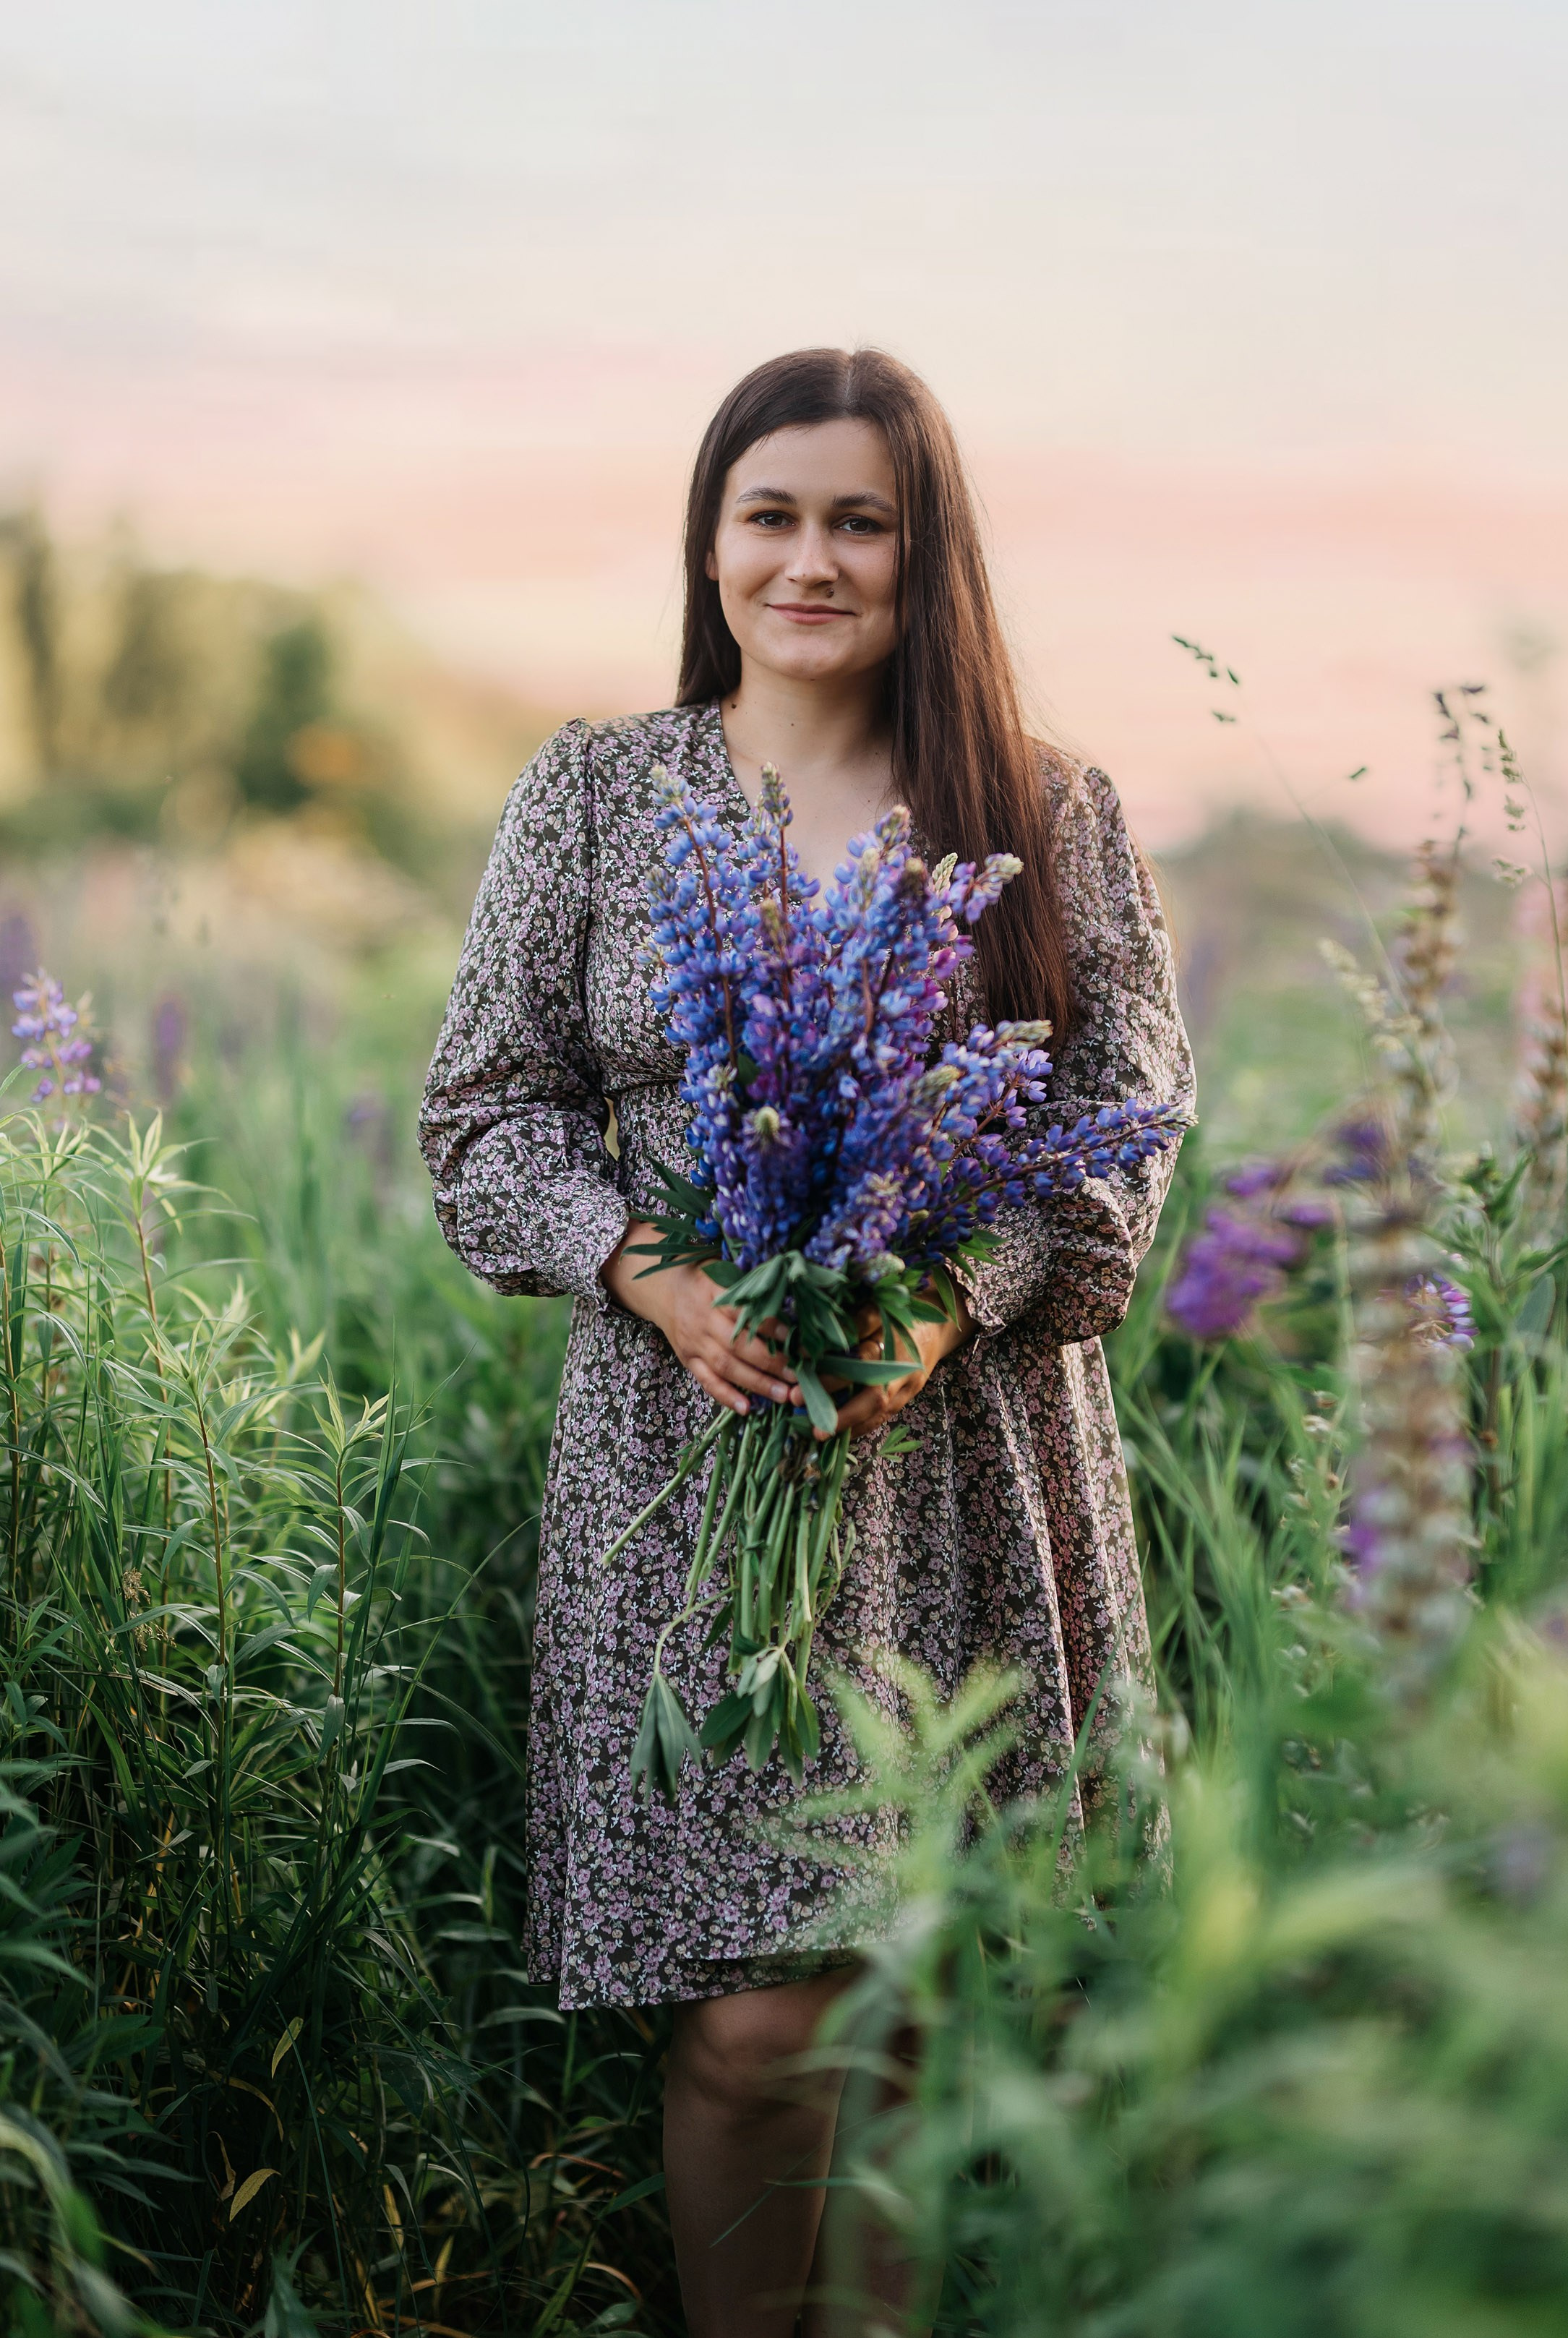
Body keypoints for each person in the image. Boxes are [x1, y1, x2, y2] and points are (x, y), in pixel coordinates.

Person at [417, 346, 1194, 2336]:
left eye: (860, 517)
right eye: (773, 513)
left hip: (960, 1460)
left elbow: (1130, 1112)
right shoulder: (599, 793)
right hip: (692, 1462)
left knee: (912, 2010)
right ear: (709, 536)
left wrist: (957, 1291)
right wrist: (645, 1263)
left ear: (925, 550)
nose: (812, 558)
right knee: (754, 2028)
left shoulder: (1046, 805)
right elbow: (483, 1111)